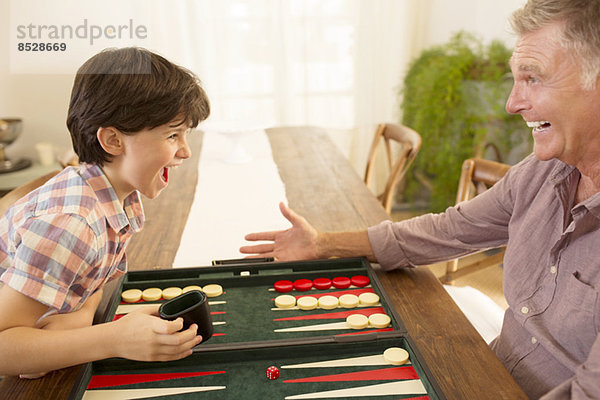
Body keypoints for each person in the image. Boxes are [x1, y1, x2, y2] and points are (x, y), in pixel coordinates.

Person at [240, 0, 600, 398]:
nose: (512, 103)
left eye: (533, 78)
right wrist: (324, 244)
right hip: (482, 371)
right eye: (515, 79)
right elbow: (450, 229)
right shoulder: (541, 172)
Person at [0, 47, 210, 378]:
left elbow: (92, 279)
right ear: (113, 140)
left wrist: (79, 320)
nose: (185, 151)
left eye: (185, 135)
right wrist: (111, 338)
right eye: (172, 135)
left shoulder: (112, 197)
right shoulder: (73, 225)